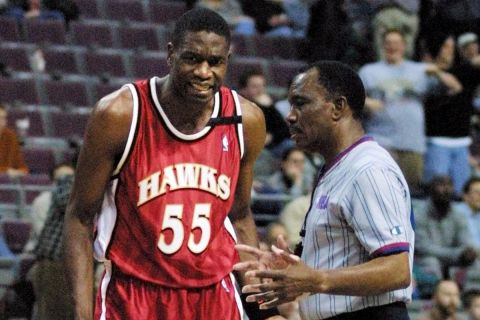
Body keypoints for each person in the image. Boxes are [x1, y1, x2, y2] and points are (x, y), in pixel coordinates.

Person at [63, 8, 282, 320]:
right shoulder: (120, 114)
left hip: (213, 295)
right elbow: (80, 218)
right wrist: (82, 314)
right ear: (171, 54)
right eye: (192, 58)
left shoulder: (246, 120)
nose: (204, 72)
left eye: (215, 62)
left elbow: (241, 215)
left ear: (227, 61)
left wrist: (264, 310)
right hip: (135, 294)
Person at [234, 60, 415, 319]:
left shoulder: (368, 169)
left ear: (338, 107)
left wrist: (316, 279)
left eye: (301, 103)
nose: (290, 115)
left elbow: (397, 269)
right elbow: (343, 259)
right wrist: (295, 268)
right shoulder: (337, 167)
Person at [359, 29, 462, 195]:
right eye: (388, 43)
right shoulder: (368, 71)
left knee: (410, 192)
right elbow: (353, 99)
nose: (392, 47)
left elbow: (455, 87)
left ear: (404, 46)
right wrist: (367, 102)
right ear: (383, 46)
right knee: (380, 191)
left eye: (396, 43)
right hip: (380, 140)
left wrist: (438, 73)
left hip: (412, 142)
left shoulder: (419, 70)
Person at [414, 176, 477, 292]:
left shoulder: (459, 214)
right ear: (431, 189)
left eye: (449, 185)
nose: (446, 189)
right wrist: (457, 254)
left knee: (474, 263)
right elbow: (424, 248)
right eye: (441, 185)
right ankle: (434, 297)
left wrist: (467, 253)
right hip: (426, 259)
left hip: (453, 259)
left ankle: (470, 299)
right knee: (431, 263)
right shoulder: (419, 213)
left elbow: (466, 243)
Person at [0, 104, 28, 178]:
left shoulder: (10, 136)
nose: (2, 121)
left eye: (3, 118)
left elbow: (22, 168)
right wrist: (5, 171)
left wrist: (19, 172)